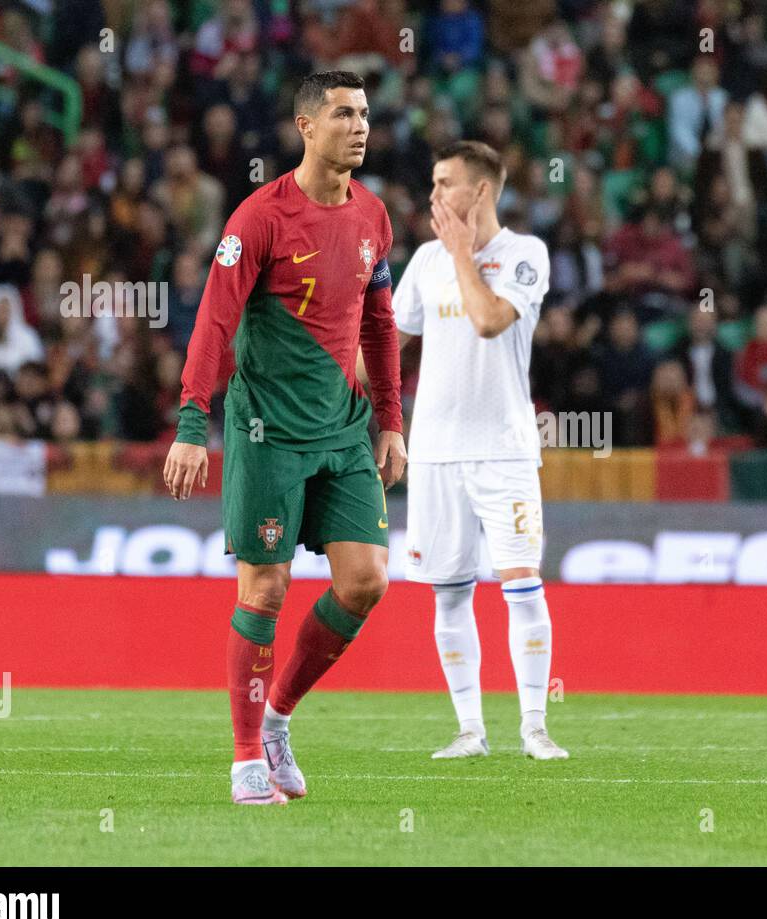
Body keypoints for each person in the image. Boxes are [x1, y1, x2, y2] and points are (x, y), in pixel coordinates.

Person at [163, 71, 406, 805]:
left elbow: (380, 323)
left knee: (366, 582)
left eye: (364, 113)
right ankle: (244, 760)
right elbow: (212, 320)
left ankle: (276, 720)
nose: (359, 125)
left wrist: (392, 419)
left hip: (343, 428)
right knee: (265, 587)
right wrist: (189, 424)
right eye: (343, 113)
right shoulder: (258, 220)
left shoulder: (374, 217)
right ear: (306, 126)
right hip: (267, 430)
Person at [393, 140, 568, 761]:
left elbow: (491, 319)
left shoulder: (525, 254)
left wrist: (463, 253)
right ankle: (470, 729)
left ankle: (534, 727)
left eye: (445, 184)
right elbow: (388, 343)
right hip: (436, 451)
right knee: (449, 591)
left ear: (482, 192)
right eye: (433, 184)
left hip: (504, 451)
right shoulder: (422, 261)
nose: (434, 196)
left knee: (521, 583)